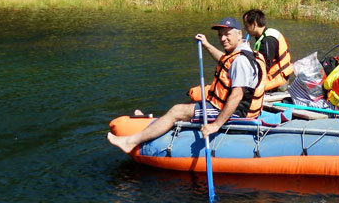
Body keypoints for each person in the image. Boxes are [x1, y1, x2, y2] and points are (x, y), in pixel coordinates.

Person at [107, 17, 266, 153]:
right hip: (228, 106)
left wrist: (215, 125)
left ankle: (130, 142)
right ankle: (156, 124)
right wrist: (206, 44)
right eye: (220, 35)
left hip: (235, 112)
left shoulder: (240, 60)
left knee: (177, 110)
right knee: (189, 106)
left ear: (239, 34)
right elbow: (224, 62)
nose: (223, 38)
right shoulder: (243, 52)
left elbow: (237, 95)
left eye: (227, 34)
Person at [242, 9, 294, 91]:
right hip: (275, 77)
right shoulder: (264, 35)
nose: (244, 28)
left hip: (277, 81)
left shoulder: (268, 40)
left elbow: (265, 66)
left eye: (246, 25)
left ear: (254, 25)